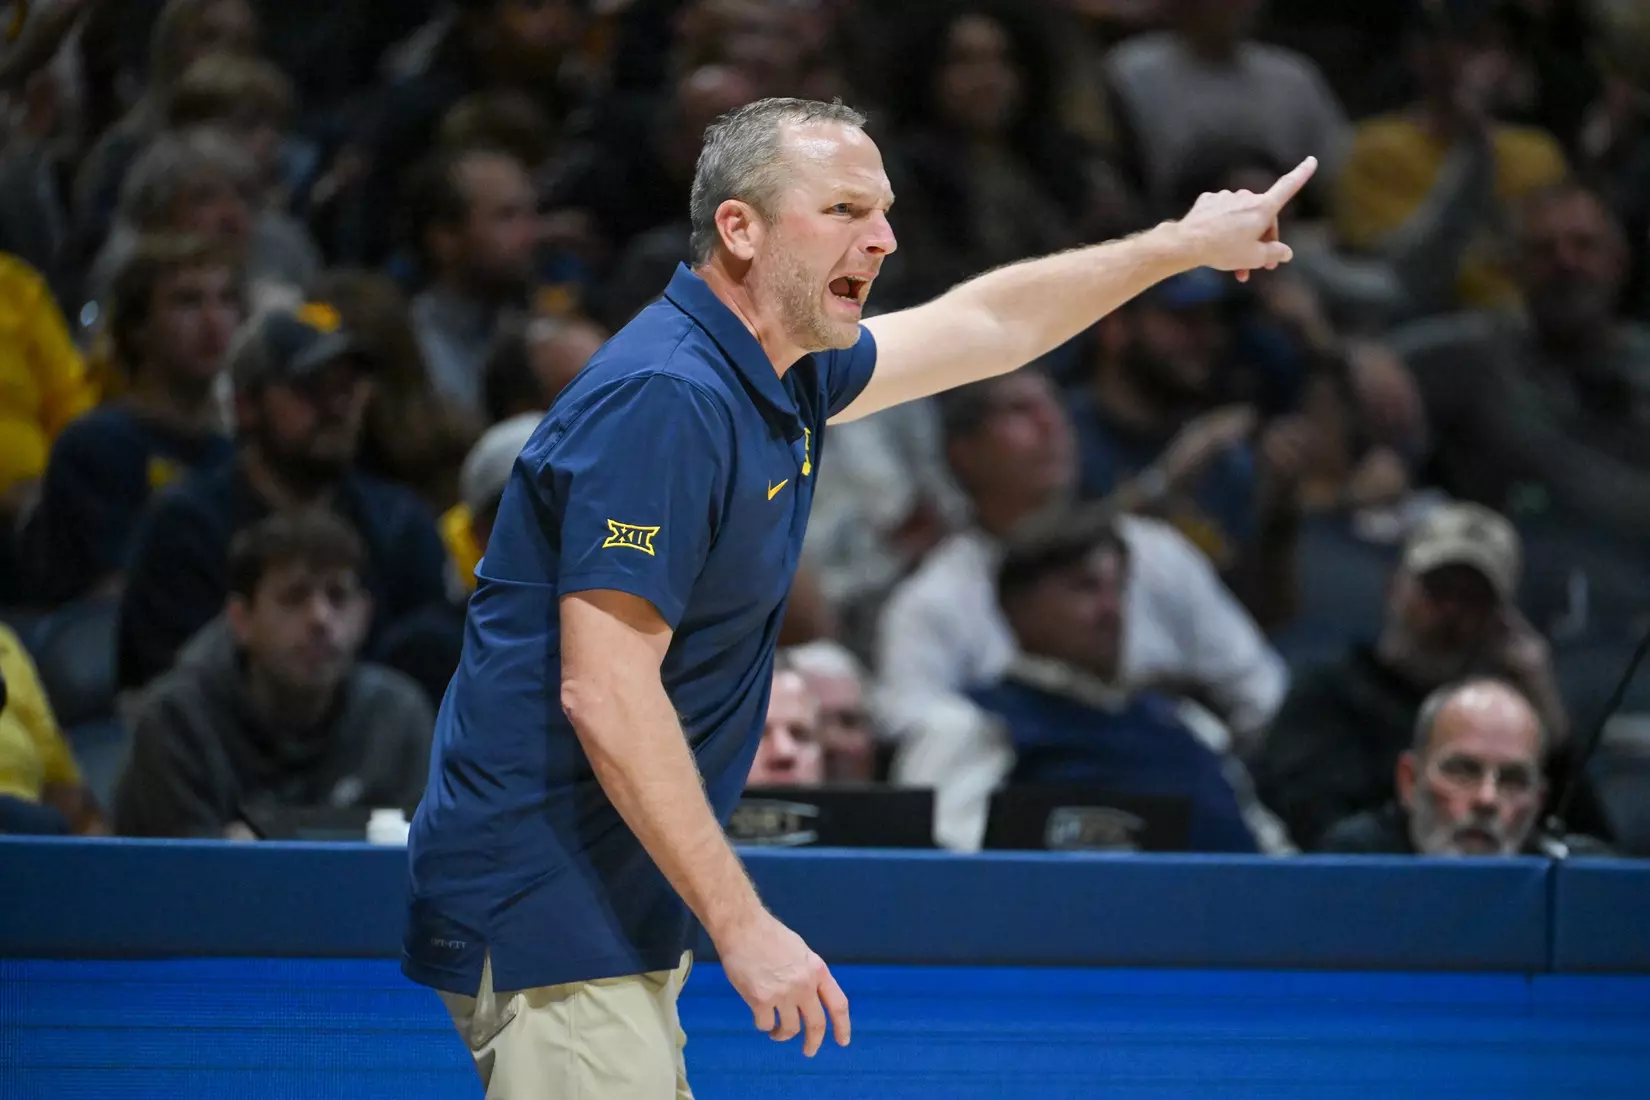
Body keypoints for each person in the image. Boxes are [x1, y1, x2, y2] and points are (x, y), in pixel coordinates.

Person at [403, 94, 1316, 1098]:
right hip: (545, 889)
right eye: (841, 209)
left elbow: (988, 322)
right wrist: (743, 923)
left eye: (882, 210)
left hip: (607, 892)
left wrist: (1176, 245)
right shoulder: (668, 397)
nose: (881, 237)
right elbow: (606, 689)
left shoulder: (781, 369)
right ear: (739, 230)